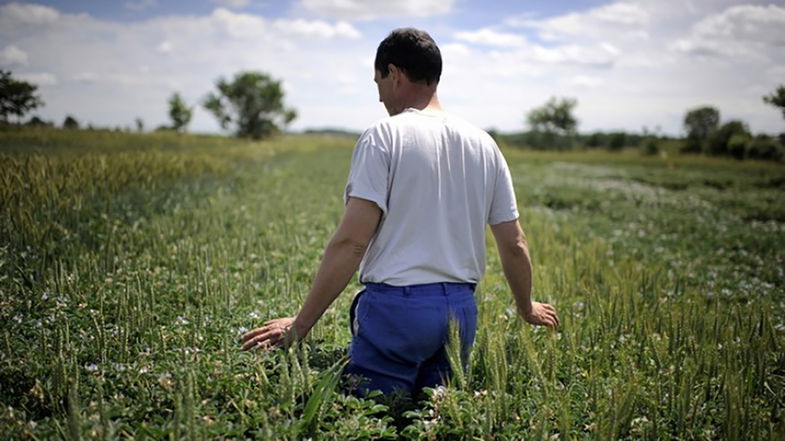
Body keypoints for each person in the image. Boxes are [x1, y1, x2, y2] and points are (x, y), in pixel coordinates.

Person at [240, 28, 559, 398]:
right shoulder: (484, 144)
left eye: (378, 83)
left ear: (394, 73)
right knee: (436, 417)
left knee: (374, 415)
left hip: (398, 312)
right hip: (460, 313)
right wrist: (526, 306)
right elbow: (515, 243)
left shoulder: (384, 136)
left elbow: (350, 244)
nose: (379, 98)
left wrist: (300, 326)